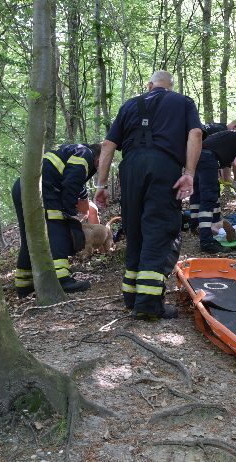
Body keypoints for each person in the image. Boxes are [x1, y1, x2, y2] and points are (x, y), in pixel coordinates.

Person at [94, 70, 203, 320]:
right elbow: (195, 134)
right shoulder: (183, 102)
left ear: (149, 85)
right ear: (170, 87)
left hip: (130, 168)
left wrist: (101, 185)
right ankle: (148, 304)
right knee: (159, 229)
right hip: (163, 167)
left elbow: (108, 146)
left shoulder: (129, 105)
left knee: (135, 229)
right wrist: (189, 173)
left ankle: (131, 298)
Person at [13, 143, 102, 296]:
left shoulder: (73, 151)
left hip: (22, 186)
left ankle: (24, 284)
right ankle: (62, 280)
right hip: (42, 189)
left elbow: (74, 183)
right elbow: (71, 183)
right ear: (99, 156)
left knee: (29, 236)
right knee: (58, 230)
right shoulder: (85, 153)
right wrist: (69, 214)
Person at [190, 126, 236, 253]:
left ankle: (197, 226)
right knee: (209, 199)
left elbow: (226, 178)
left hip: (195, 155)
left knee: (197, 195)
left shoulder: (227, 142)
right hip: (208, 158)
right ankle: (207, 241)